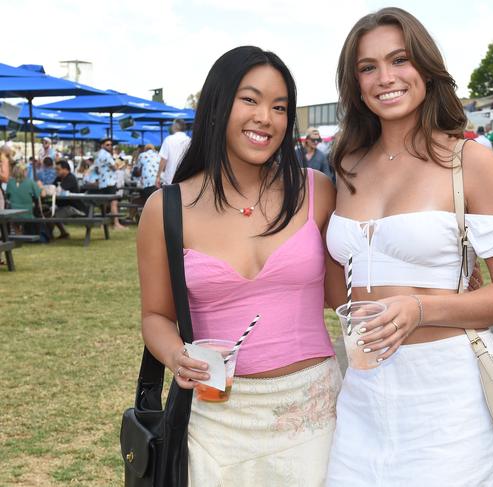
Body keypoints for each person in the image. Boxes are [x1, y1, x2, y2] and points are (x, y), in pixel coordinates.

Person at [325, 8, 493, 485]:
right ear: (355, 83)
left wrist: (418, 308)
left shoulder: (470, 162)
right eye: (368, 67)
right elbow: (339, 288)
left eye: (400, 60)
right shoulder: (347, 165)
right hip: (363, 391)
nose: (385, 78)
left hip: (447, 401)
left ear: (425, 67)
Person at [137, 46, 342, 486]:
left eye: (280, 106)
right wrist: (177, 355)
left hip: (313, 414)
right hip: (215, 421)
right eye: (249, 99)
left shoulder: (317, 192)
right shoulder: (166, 209)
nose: (265, 117)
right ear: (216, 105)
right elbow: (155, 316)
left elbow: (347, 294)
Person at [5, 162, 46, 235]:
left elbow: (7, 196)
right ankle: (23, 234)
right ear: (24, 172)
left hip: (13, 213)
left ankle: (18, 234)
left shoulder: (10, 182)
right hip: (28, 213)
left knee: (13, 216)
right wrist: (41, 186)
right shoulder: (30, 182)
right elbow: (42, 195)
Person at [49, 159, 85, 239]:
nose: (56, 171)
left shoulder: (70, 178)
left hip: (74, 207)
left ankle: (48, 236)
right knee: (49, 213)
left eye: (58, 169)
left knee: (52, 216)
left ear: (65, 169)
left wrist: (52, 189)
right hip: (63, 205)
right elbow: (52, 188)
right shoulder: (59, 178)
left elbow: (58, 190)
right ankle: (63, 233)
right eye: (55, 169)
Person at [96, 138, 126, 229]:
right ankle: (116, 223)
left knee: (105, 203)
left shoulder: (99, 154)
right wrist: (121, 160)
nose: (110, 146)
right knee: (113, 203)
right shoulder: (106, 155)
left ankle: (102, 224)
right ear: (102, 145)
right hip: (109, 181)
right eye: (107, 144)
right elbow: (115, 167)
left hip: (103, 182)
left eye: (110, 144)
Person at [156, 118, 190, 187]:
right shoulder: (189, 141)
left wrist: (158, 176)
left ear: (175, 126)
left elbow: (163, 160)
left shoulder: (168, 140)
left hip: (169, 180)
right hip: (185, 179)